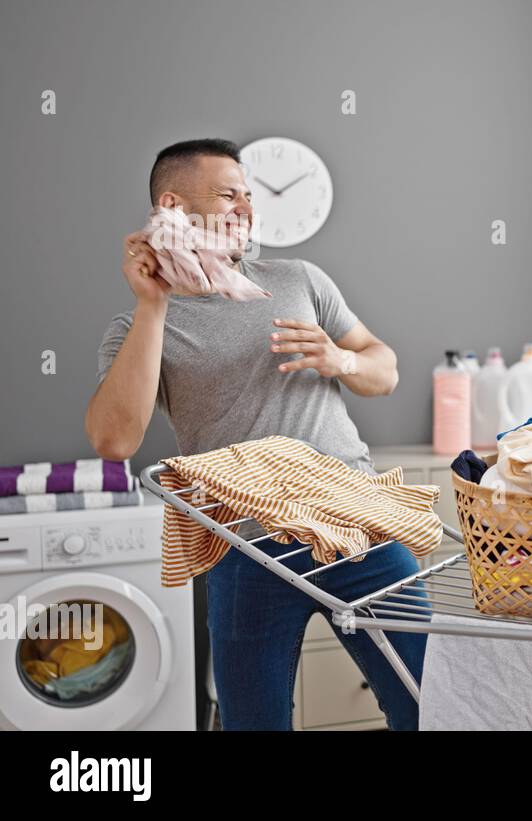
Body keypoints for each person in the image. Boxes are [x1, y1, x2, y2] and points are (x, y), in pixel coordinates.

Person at [85, 138, 425, 730]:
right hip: (244, 547)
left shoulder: (298, 279)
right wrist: (151, 306)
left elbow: (384, 368)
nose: (246, 207)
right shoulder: (138, 325)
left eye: (249, 195)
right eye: (227, 194)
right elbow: (115, 441)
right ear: (174, 205)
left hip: (355, 523)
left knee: (432, 705)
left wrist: (339, 361)